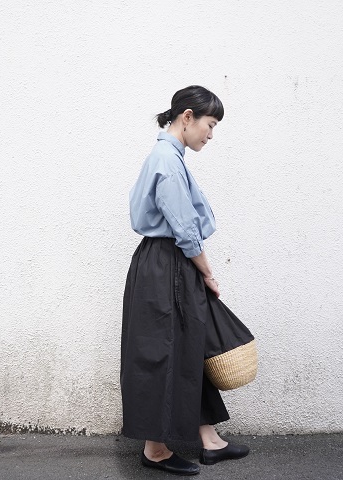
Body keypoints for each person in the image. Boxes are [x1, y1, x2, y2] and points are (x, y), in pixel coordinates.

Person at [121, 85, 249, 476]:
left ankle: (208, 439)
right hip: (168, 265)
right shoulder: (167, 160)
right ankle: (155, 450)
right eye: (210, 124)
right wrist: (207, 272)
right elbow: (185, 229)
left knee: (189, 347)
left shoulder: (169, 157)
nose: (211, 134)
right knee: (163, 352)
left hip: (167, 264)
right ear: (187, 117)